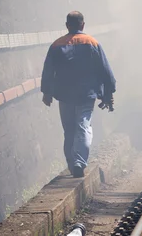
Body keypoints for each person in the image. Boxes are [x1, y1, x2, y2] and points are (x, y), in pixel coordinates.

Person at [41, 11, 116, 178]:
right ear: (83, 25)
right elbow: (105, 70)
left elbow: (48, 71)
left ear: (67, 25)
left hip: (65, 95)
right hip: (86, 95)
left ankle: (71, 163)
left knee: (69, 130)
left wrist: (47, 92)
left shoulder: (56, 45)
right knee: (83, 126)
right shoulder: (92, 42)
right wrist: (109, 92)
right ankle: (79, 163)